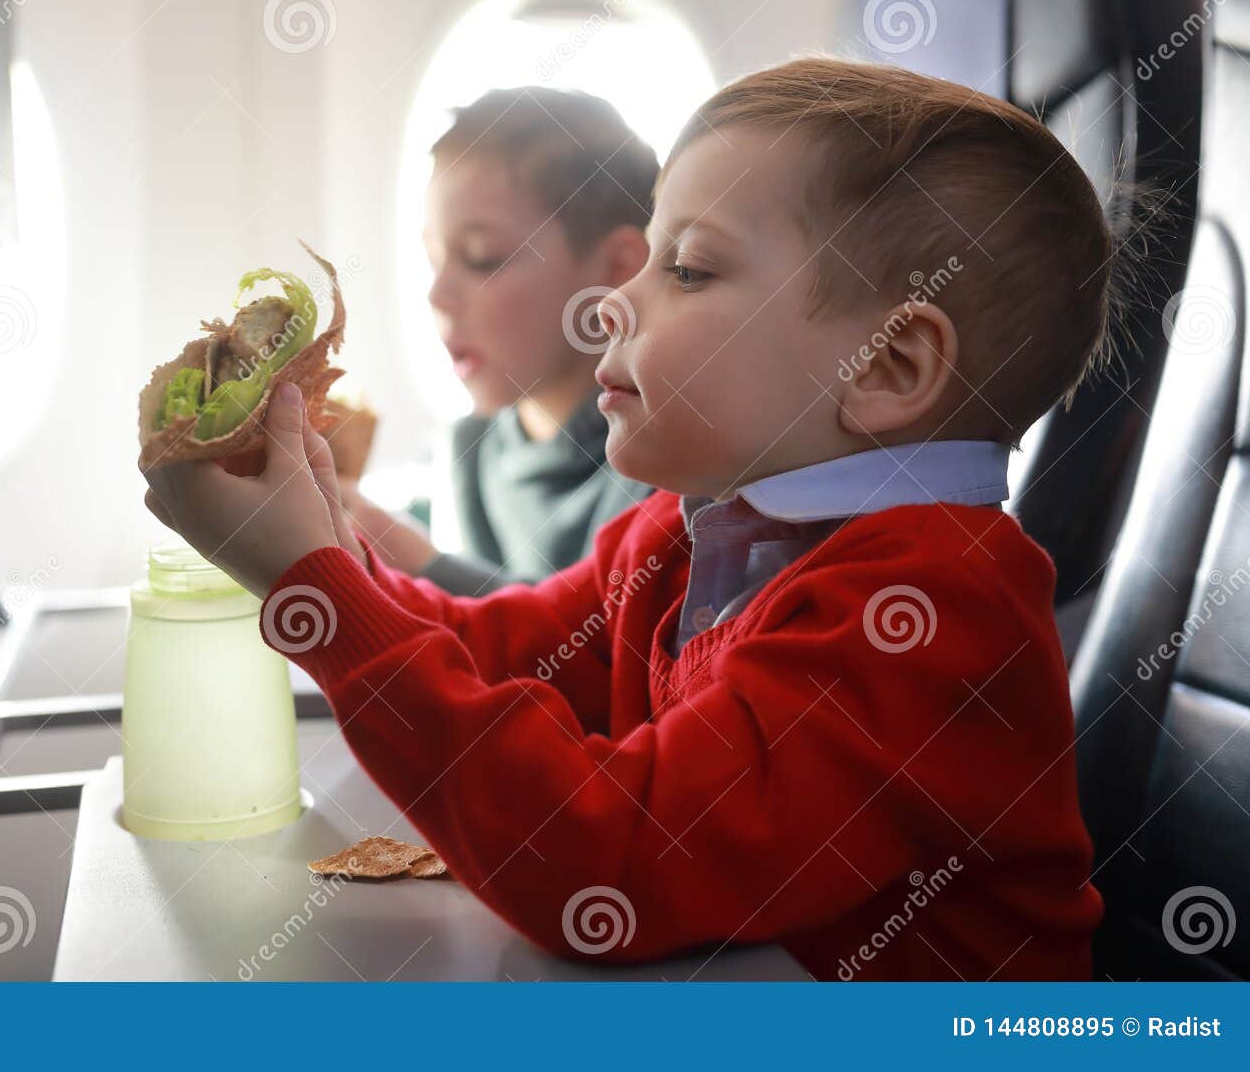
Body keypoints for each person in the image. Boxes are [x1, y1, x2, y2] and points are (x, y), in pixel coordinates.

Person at [142, 57, 1114, 980]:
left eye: (686, 270)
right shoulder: (683, 530)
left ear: (888, 368)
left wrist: (314, 585)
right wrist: (320, 549)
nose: (611, 302)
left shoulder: (930, 611)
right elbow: (497, 650)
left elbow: (606, 861)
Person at [342, 87, 657, 594]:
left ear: (615, 271)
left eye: (482, 258)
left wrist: (424, 566)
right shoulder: (461, 452)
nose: (438, 295)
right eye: (434, 260)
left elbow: (592, 650)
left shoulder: (659, 468)